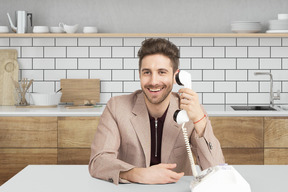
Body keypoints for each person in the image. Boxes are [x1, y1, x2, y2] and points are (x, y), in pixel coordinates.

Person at [89, 38, 225, 185]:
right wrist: (136, 174)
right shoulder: (116, 107)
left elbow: (217, 171)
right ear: (139, 75)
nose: (154, 81)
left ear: (176, 77)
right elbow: (98, 161)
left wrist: (199, 120)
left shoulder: (190, 111)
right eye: (147, 72)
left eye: (162, 72)